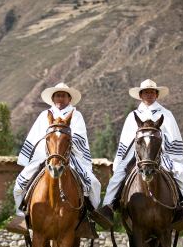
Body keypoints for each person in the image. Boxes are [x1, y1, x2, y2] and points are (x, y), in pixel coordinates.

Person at [6, 83, 108, 236]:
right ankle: (21, 216)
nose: (60, 98)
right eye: (57, 95)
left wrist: (64, 141)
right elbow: (36, 137)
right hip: (45, 155)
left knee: (93, 183)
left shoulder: (76, 114)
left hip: (70, 156)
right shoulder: (44, 115)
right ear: (53, 98)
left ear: (69, 98)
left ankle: (88, 217)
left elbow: (80, 138)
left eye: (63, 95)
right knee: (20, 183)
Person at [94, 79, 183, 231]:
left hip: (160, 154)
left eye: (152, 92)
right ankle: (108, 206)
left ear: (156, 95)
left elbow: (174, 138)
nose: (149, 95)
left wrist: (156, 140)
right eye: (146, 92)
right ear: (141, 95)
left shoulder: (166, 115)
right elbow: (126, 140)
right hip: (135, 155)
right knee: (118, 175)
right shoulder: (133, 115)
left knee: (179, 171)